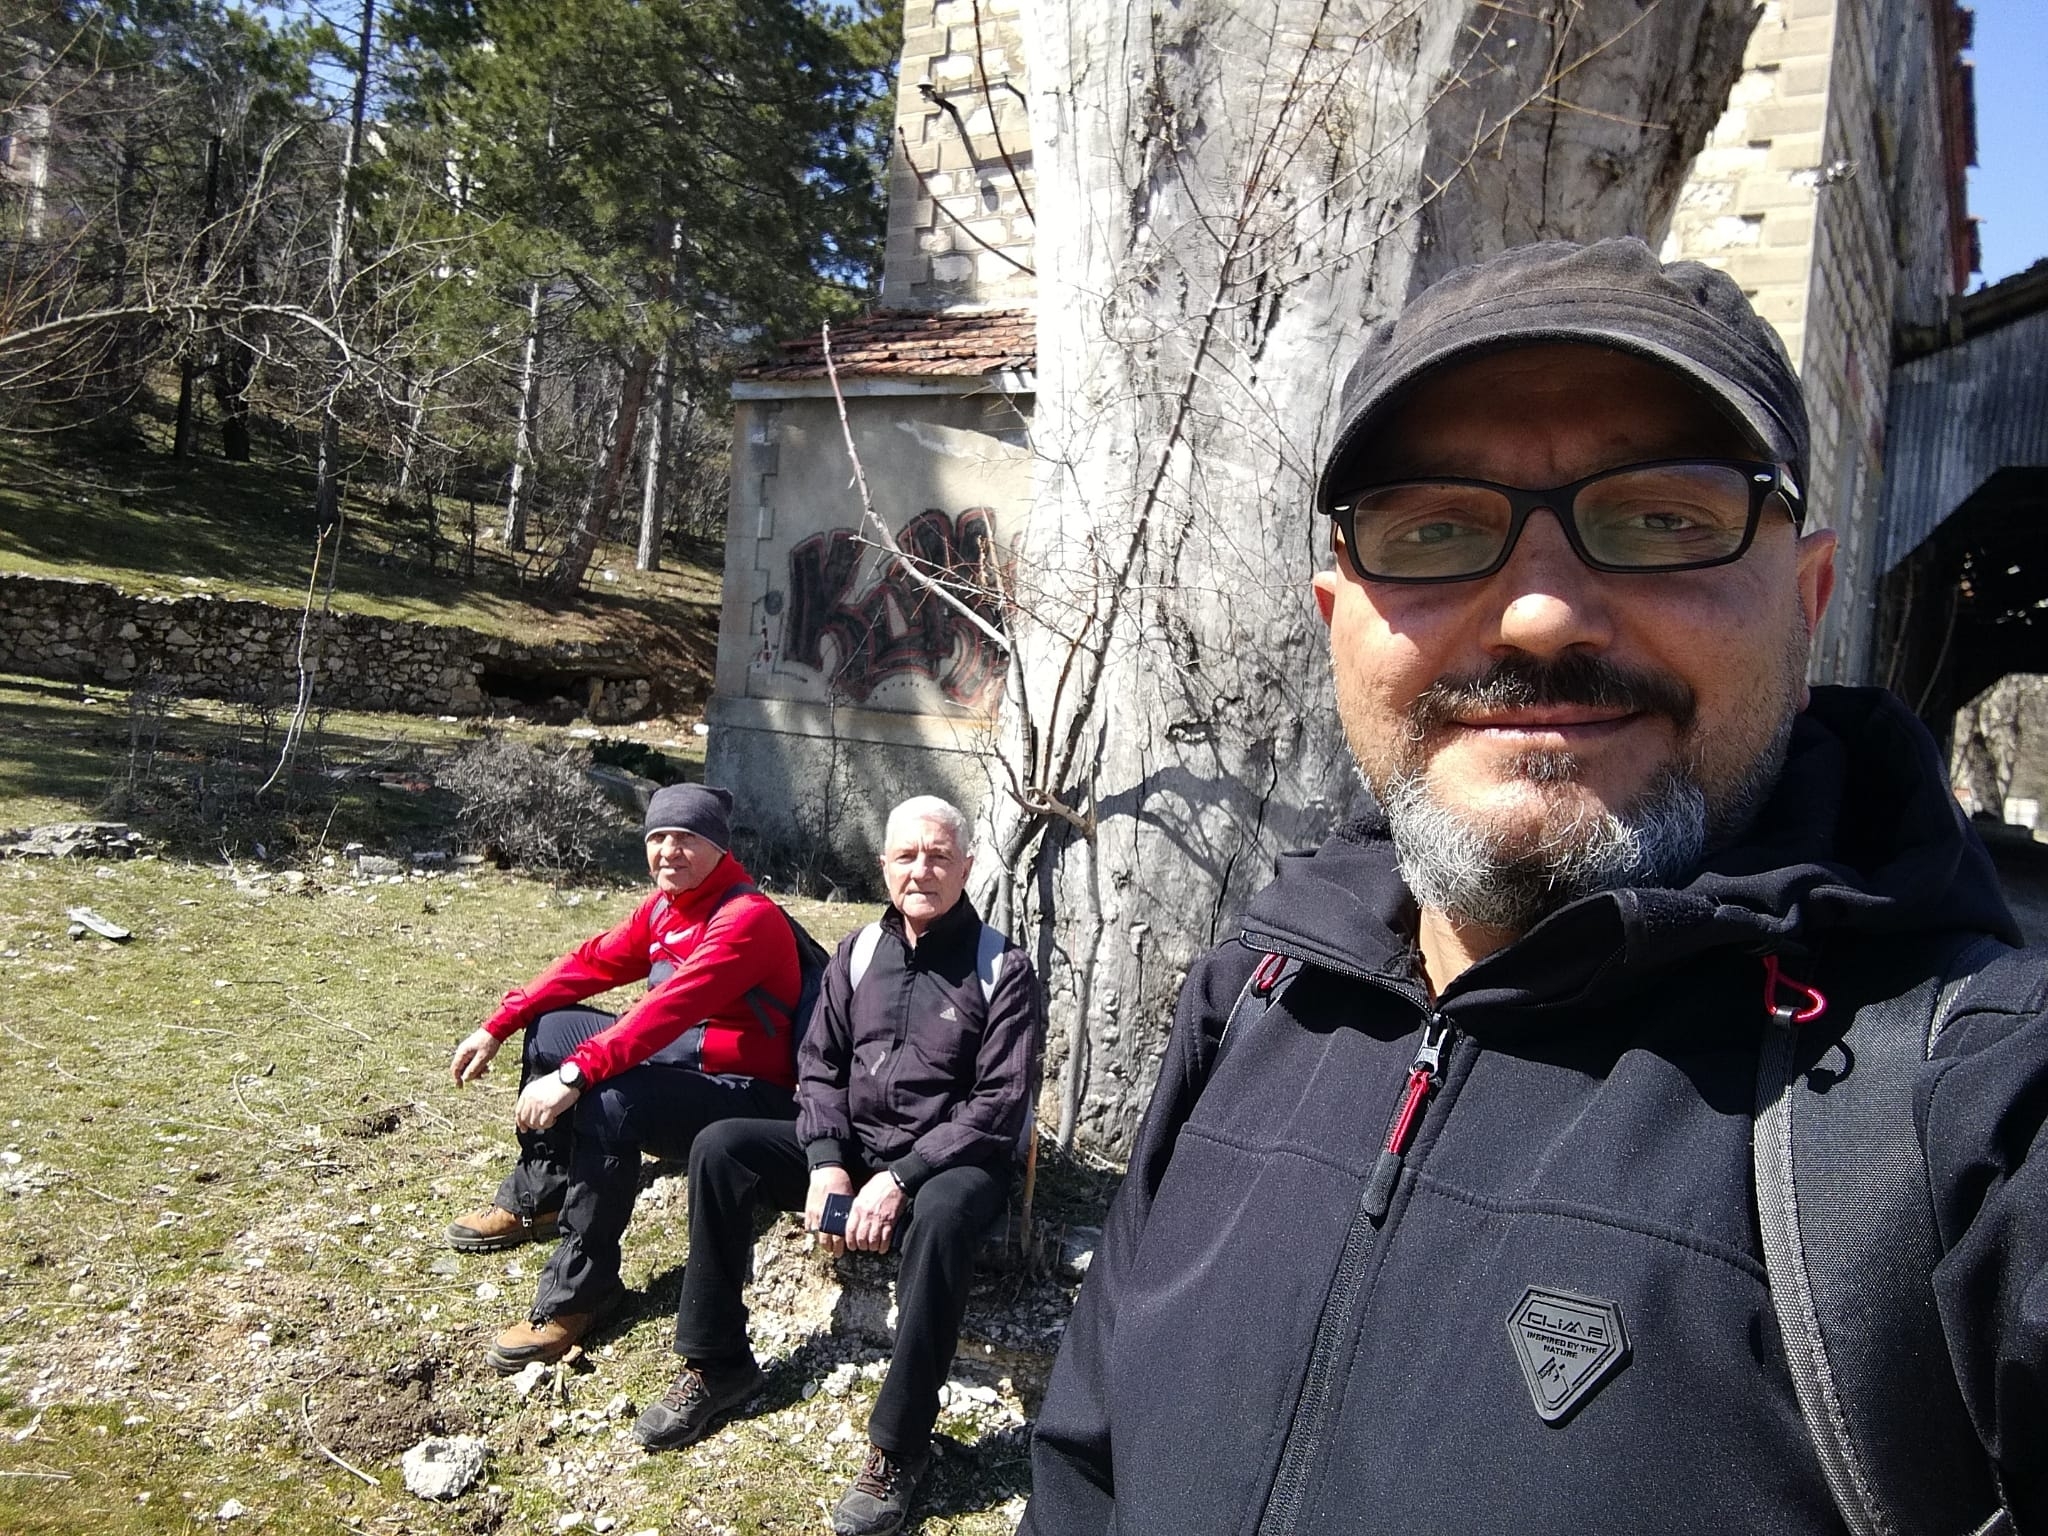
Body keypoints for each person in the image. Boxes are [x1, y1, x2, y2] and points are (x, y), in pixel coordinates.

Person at [1023, 239, 2047, 1534]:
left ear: (1806, 606)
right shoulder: (1260, 994)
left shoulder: (1971, 1121)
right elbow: (1084, 1473)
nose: (1540, 615)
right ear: (1337, 619)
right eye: (1434, 529)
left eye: (1663, 518)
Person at [630, 795, 1041, 1536]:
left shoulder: (1003, 968)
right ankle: (718, 1363)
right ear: (884, 866)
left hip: (953, 1160)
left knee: (945, 1217)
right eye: (906, 856)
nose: (921, 871)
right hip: (857, 1148)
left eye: (939, 856)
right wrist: (825, 1162)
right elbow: (817, 1066)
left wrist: (903, 1177)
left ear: (968, 866)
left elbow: (999, 1105)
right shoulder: (856, 953)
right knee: (721, 1147)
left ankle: (899, 1447)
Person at [445, 783, 803, 1373]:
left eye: (687, 838)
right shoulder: (666, 907)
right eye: (658, 837)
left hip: (746, 1097)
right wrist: (501, 1023)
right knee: (552, 1026)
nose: (669, 851)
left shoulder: (747, 919)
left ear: (719, 847)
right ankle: (543, 1196)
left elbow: (668, 1010)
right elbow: (591, 962)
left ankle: (582, 1293)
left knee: (610, 1099)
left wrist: (575, 1074)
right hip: (683, 1063)